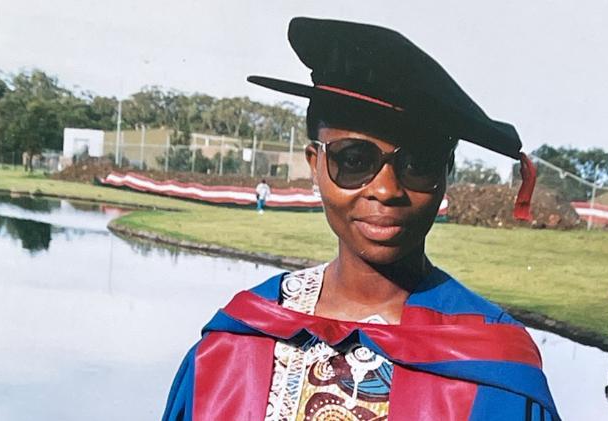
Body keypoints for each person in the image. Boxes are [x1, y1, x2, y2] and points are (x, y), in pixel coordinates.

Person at [162, 17, 559, 421]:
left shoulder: (495, 364)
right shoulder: (239, 339)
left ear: (446, 174)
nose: (386, 190)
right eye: (354, 160)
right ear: (315, 165)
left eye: (418, 163)